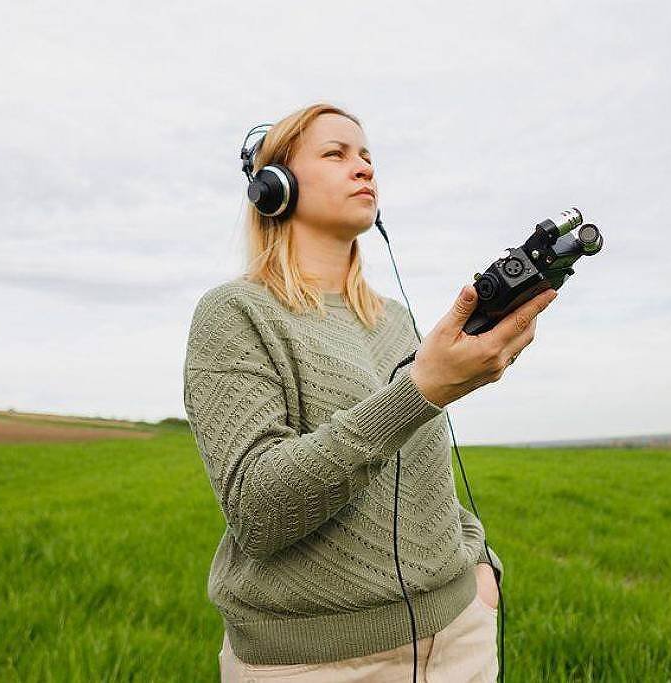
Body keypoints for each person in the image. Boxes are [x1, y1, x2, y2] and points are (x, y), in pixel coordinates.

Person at [183, 102, 558, 682]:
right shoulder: (235, 314)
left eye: (366, 156)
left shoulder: (398, 320)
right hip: (315, 664)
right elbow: (256, 509)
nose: (363, 168)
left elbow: (429, 475)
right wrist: (419, 390)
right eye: (334, 154)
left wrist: (483, 571)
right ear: (273, 188)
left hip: (460, 639)